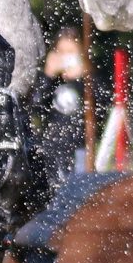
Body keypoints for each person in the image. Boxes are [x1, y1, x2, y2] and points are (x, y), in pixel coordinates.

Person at [29, 27, 90, 180]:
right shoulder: (50, 81)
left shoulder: (87, 80)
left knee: (80, 187)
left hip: (80, 148)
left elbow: (101, 107)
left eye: (71, 53)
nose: (66, 59)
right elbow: (36, 107)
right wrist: (48, 75)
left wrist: (81, 79)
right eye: (61, 52)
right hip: (51, 147)